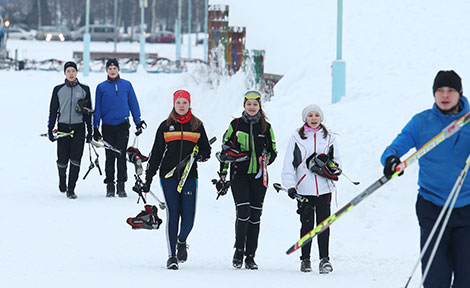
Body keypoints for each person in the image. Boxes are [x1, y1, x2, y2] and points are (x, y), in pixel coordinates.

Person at [381, 70, 470, 288]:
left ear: (459, 93)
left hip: (466, 208)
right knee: (435, 277)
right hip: (432, 206)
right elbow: (394, 148)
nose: (445, 95)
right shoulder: (422, 122)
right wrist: (391, 160)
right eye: (440, 90)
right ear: (434, 93)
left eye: (450, 90)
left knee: (466, 278)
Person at [142, 90, 212, 270]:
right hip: (168, 176)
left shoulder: (197, 126)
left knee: (188, 219)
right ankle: (171, 255)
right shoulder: (165, 126)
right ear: (174, 104)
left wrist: (201, 156)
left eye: (185, 102)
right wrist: (147, 179)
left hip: (189, 177)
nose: (181, 105)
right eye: (178, 102)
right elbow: (155, 154)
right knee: (173, 214)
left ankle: (182, 241)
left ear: (189, 104)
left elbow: (206, 151)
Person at [215, 90, 277, 270]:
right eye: (248, 104)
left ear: (259, 106)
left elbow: (273, 150)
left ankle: (250, 255)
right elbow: (225, 151)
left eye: (255, 104)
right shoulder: (235, 124)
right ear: (244, 105)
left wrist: (266, 159)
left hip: (259, 177)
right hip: (239, 175)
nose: (252, 107)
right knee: (243, 213)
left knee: (255, 216)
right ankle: (238, 250)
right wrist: (222, 175)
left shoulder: (266, 127)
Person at [281, 104, 340, 273]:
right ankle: (305, 259)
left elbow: (337, 161)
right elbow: (288, 164)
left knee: (323, 225)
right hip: (304, 188)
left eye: (316, 115)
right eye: (310, 115)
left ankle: (324, 260)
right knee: (306, 224)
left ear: (321, 118)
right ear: (305, 118)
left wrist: (330, 168)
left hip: (324, 189)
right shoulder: (296, 138)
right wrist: (291, 186)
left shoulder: (329, 137)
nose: (314, 118)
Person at [93, 58, 145, 197]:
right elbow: (97, 108)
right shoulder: (101, 87)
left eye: (114, 68)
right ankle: (110, 186)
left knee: (121, 154)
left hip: (122, 125)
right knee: (109, 156)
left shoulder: (126, 85)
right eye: (110, 69)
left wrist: (138, 121)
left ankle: (121, 186)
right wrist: (95, 126)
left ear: (118, 69)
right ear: (106, 70)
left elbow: (133, 103)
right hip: (108, 126)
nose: (112, 71)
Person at [47, 61, 93, 199]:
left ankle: (71, 188)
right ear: (65, 73)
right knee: (62, 159)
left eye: (73, 71)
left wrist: (90, 131)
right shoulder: (58, 90)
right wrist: (50, 129)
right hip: (63, 128)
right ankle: (62, 180)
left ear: (77, 72)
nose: (71, 74)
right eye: (68, 71)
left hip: (79, 128)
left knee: (76, 159)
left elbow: (88, 112)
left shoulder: (84, 90)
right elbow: (53, 110)